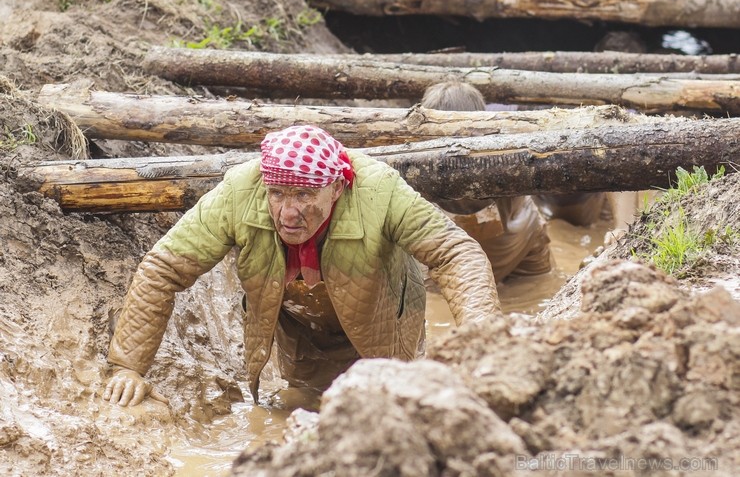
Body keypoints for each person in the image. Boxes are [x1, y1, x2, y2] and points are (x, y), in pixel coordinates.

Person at [103, 125, 501, 407]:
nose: (287, 213)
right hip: (299, 322)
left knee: (390, 408)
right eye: (277, 194)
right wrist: (127, 367)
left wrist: (485, 345)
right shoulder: (239, 193)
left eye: (304, 196)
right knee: (307, 403)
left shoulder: (380, 190)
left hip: (383, 314)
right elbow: (163, 268)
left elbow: (455, 253)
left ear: (337, 187)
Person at [420, 81, 553, 282]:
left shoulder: (417, 165)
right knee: (539, 284)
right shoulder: (504, 155)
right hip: (521, 237)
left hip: (447, 258)